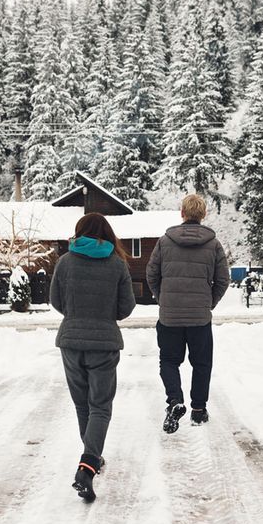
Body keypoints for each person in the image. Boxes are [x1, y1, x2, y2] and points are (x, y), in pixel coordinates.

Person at [49, 213, 137, 502]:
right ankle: (88, 464)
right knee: (100, 406)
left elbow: (56, 301)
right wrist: (102, 317)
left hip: (71, 342)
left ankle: (91, 457)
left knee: (82, 403)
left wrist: (77, 316)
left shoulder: (64, 262)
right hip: (104, 342)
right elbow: (126, 306)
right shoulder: (117, 263)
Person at [146, 194, 230, 434]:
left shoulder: (164, 242)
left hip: (170, 316)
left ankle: (175, 400)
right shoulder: (214, 245)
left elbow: (152, 274)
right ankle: (198, 410)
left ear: (182, 213)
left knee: (169, 360)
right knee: (202, 363)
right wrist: (208, 302)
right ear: (203, 215)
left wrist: (163, 298)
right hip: (199, 318)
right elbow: (223, 279)